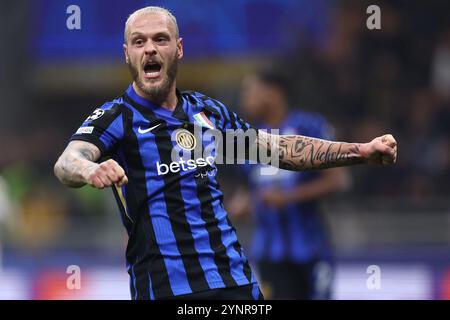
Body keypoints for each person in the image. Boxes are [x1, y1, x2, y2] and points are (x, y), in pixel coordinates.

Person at [53, 6, 398, 300]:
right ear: (127, 53)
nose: (150, 49)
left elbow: (276, 150)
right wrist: (88, 170)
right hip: (167, 287)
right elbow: (68, 160)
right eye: (139, 42)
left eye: (161, 39)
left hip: (235, 282)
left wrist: (360, 150)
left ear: (179, 48)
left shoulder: (206, 114)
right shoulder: (119, 119)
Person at [230, 71, 350, 299]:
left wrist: (288, 197)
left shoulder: (310, 126)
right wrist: (242, 205)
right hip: (269, 255)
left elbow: (338, 181)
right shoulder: (248, 139)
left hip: (312, 250)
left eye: (250, 91)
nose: (245, 98)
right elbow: (248, 190)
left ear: (274, 93)